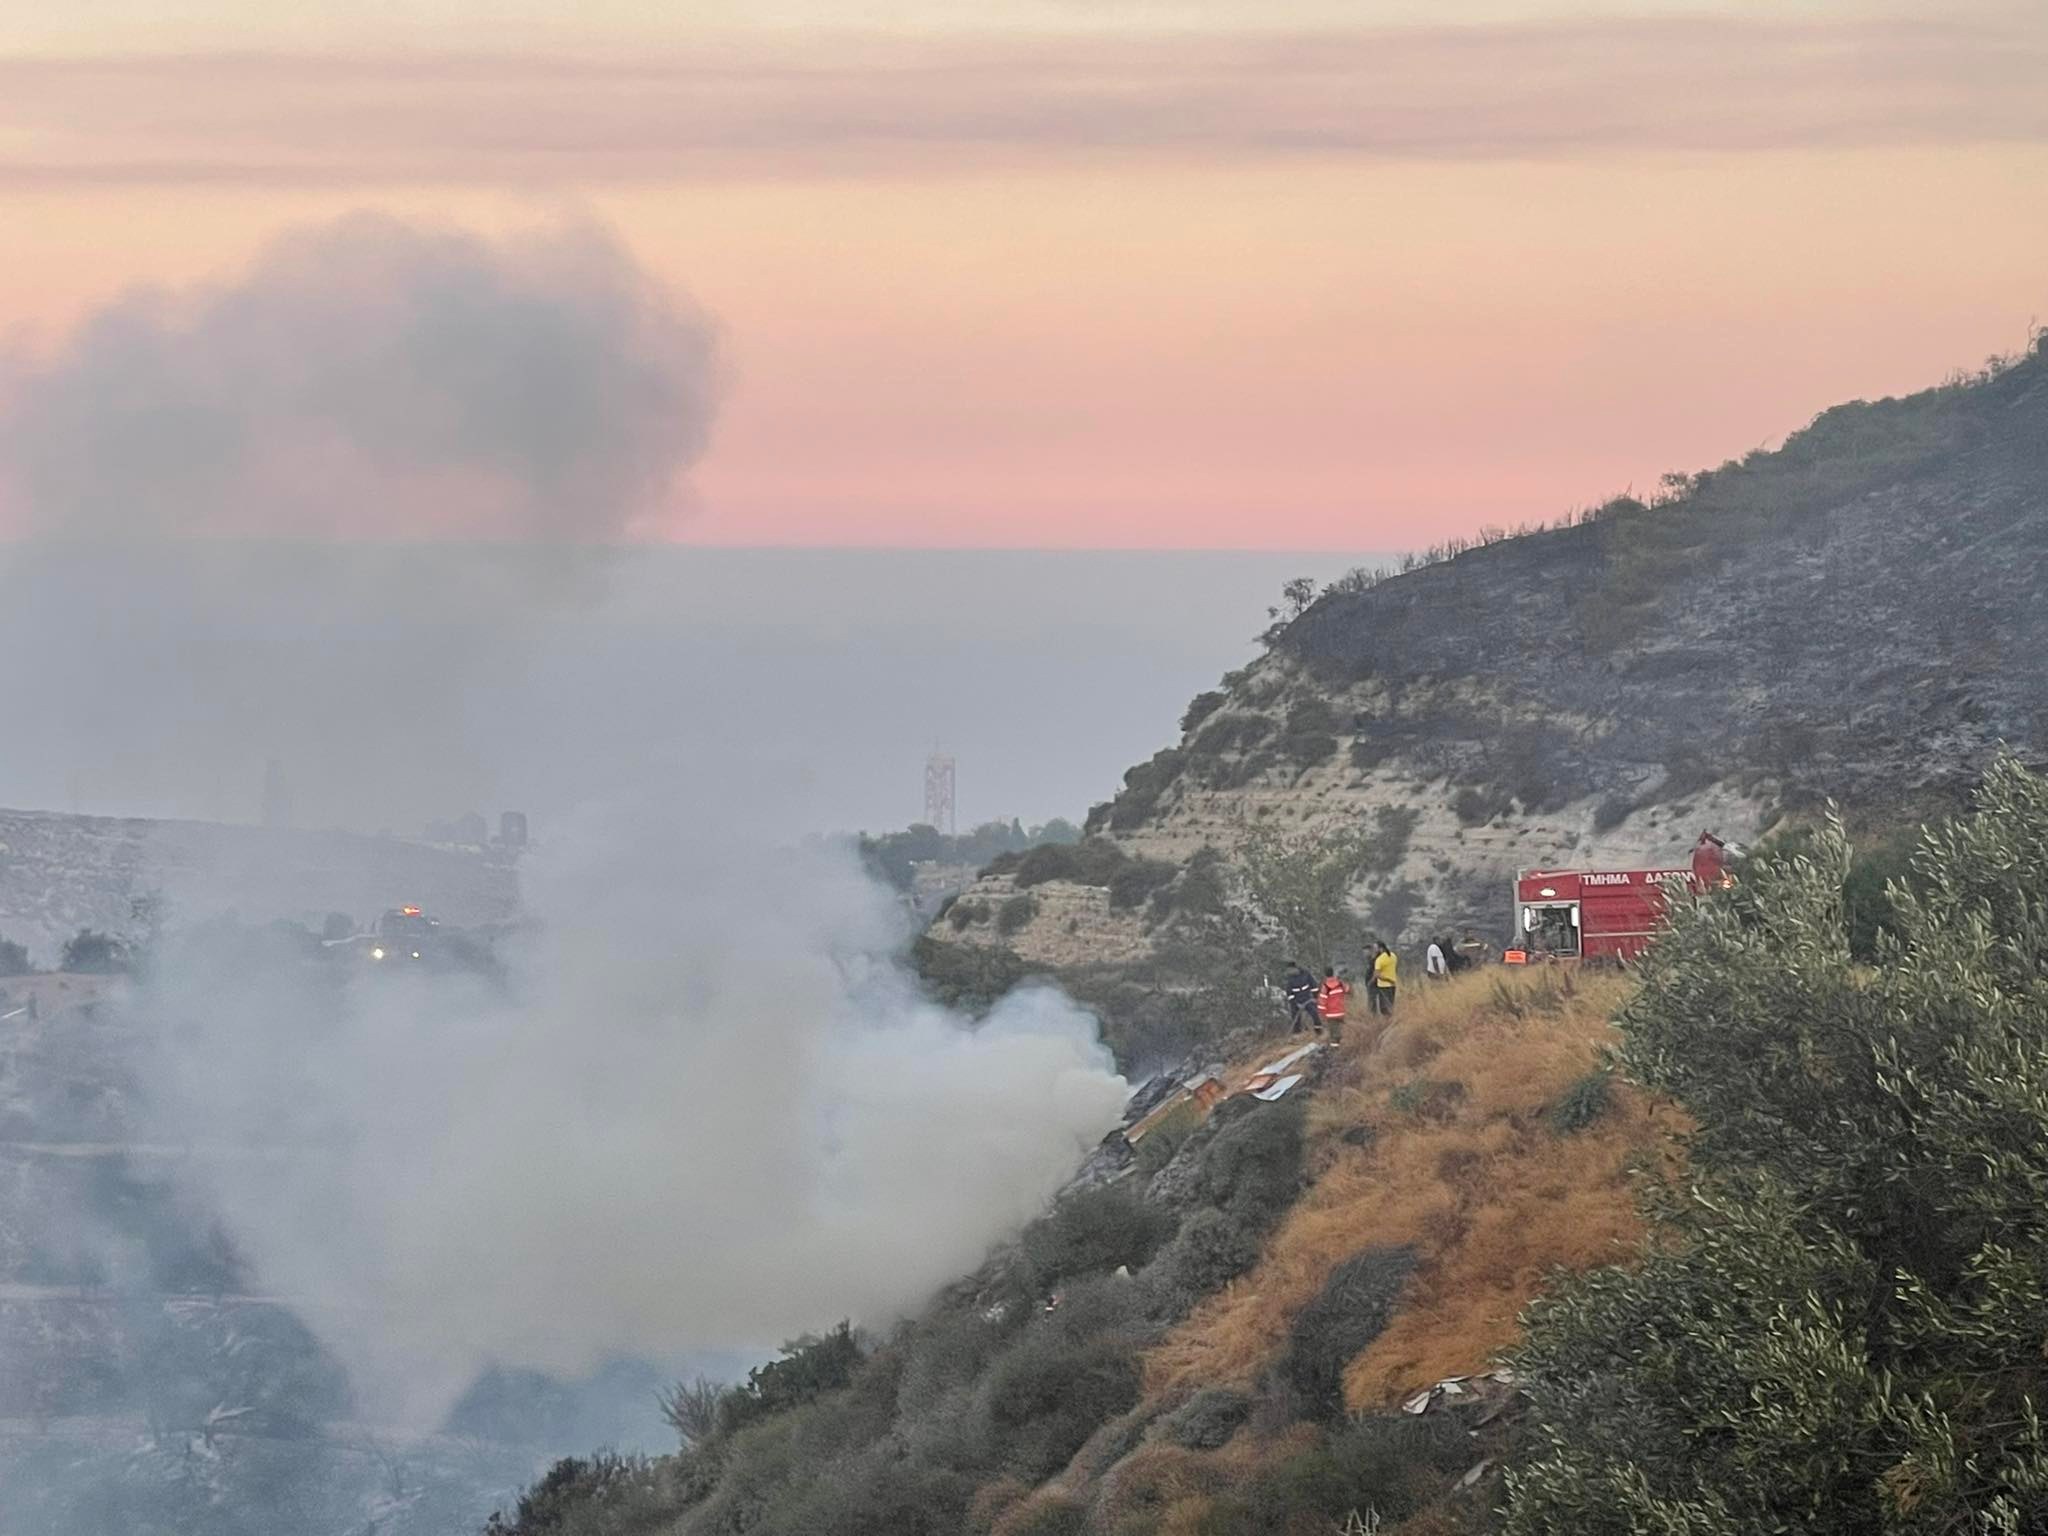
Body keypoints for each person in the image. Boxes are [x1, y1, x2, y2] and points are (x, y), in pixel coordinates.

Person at [1281, 960, 1318, 1034]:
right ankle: (1297, 1032)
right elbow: (1289, 993)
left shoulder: (1306, 974)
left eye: (1290, 970)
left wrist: (1315, 997)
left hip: (1307, 998)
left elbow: (1314, 985)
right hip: (1296, 1001)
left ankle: (1318, 1030)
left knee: (1314, 1013)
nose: (1289, 972)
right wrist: (1295, 1003)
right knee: (1295, 1017)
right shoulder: (1289, 979)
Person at [1316, 966, 1351, 1043]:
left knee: (1334, 1036)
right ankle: (1343, 1047)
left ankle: (1335, 1050)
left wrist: (1322, 1015)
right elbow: (1348, 990)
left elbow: (1322, 1003)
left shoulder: (1325, 987)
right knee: (1341, 1031)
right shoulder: (1340, 984)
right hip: (1341, 1012)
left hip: (1331, 1014)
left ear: (1325, 975)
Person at [1370, 941, 1399, 1015]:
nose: (1374, 950)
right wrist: (1391, 979)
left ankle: (1387, 1023)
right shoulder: (1393, 955)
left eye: (1375, 948)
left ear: (1380, 948)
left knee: (1384, 1008)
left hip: (1383, 986)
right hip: (1393, 985)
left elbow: (1377, 975)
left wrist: (1371, 982)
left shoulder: (1379, 960)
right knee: (1390, 1005)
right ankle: (1391, 1021)